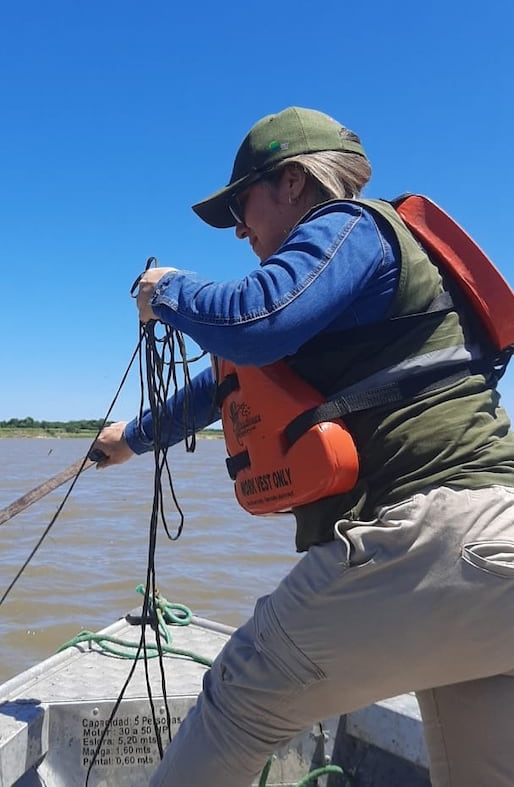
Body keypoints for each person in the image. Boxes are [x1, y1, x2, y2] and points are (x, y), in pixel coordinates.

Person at [91, 106, 514, 787]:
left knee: (237, 699)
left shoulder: (349, 226)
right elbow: (223, 388)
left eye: (242, 202)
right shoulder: (348, 298)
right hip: (501, 558)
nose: (238, 228)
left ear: (292, 182)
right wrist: (130, 441)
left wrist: (164, 289)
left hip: (431, 535)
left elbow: (253, 319)